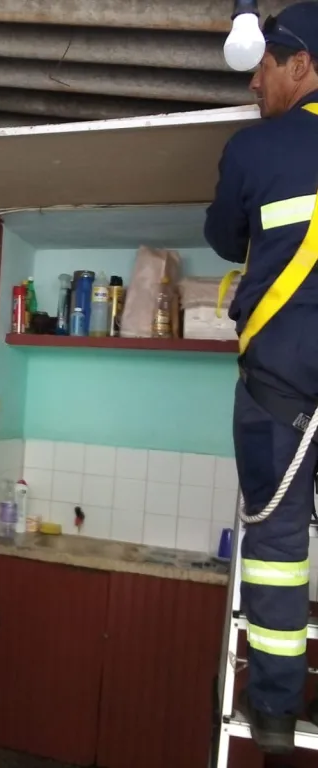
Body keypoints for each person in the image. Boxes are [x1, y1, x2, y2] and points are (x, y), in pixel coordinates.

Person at [205, 2, 318, 754]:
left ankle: (275, 714)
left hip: (279, 387)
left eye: (265, 67)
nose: (254, 83)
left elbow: (222, 238)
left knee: (278, 551)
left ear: (301, 65)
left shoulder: (255, 148)